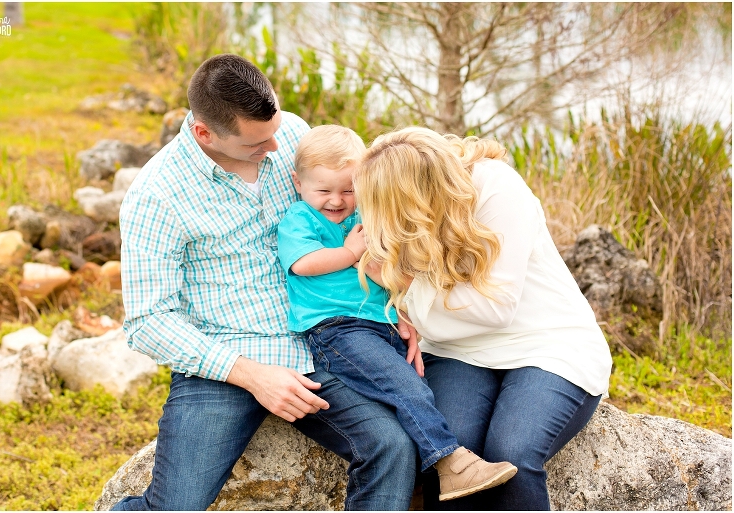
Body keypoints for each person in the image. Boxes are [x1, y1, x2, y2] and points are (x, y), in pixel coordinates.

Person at [112, 54, 420, 511]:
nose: (276, 146)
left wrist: (395, 306)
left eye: (276, 129)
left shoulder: (293, 134)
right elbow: (147, 321)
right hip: (225, 360)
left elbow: (355, 221)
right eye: (257, 142)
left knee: (393, 449)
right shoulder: (155, 195)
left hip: (322, 341)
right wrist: (253, 376)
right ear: (204, 133)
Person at [353, 126, 613, 510]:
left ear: (412, 197)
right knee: (448, 454)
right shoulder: (391, 201)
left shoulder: (497, 189)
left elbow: (496, 309)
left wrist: (406, 282)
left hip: (546, 342)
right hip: (456, 349)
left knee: (513, 452)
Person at [276, 125, 518, 502]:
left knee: (415, 388)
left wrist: (405, 316)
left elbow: (389, 277)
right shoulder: (300, 218)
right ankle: (452, 464)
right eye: (324, 190)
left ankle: (425, 473)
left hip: (380, 325)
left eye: (348, 189)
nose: (337, 201)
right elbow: (304, 263)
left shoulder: (368, 215)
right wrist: (351, 252)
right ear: (298, 183)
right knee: (404, 388)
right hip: (337, 329)